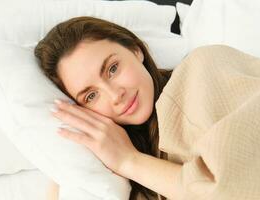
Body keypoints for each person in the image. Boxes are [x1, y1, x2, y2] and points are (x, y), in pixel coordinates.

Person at [34, 16, 179, 200]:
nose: (115, 95)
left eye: (112, 69)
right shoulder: (107, 168)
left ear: (135, 49)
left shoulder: (202, 69)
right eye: (91, 96)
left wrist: (129, 160)